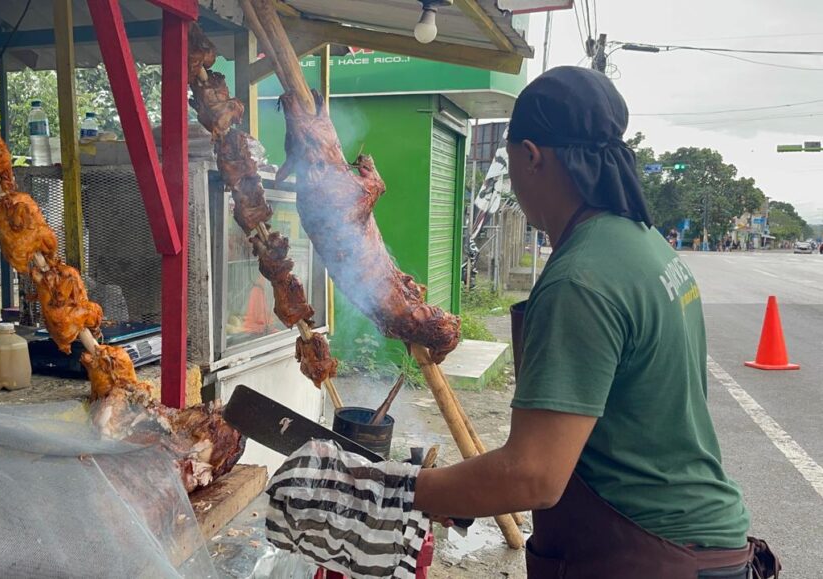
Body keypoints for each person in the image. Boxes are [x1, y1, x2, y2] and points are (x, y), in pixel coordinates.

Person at [266, 67, 779, 579]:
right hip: (699, 543)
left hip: (646, 554)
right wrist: (460, 489)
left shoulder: (581, 277)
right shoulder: (647, 247)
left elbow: (534, 475)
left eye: (511, 162)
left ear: (531, 156)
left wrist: (382, 487)